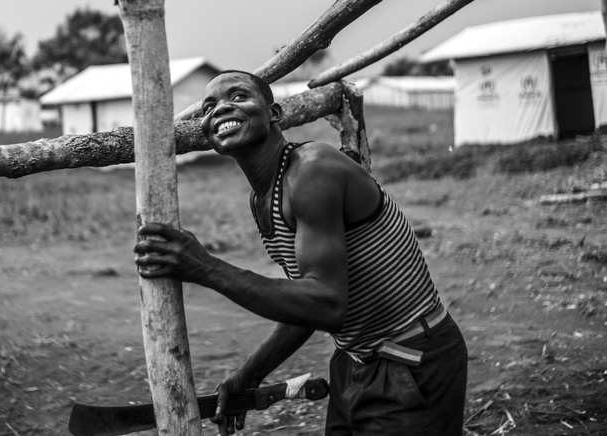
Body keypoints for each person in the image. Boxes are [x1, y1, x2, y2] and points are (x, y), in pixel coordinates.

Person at [134, 70, 467, 435]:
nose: (221, 108)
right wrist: (251, 374)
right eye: (209, 107)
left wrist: (207, 268)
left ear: (274, 114)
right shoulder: (263, 198)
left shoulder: (311, 170)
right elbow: (307, 305)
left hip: (412, 358)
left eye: (239, 96)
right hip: (354, 361)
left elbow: (327, 303)